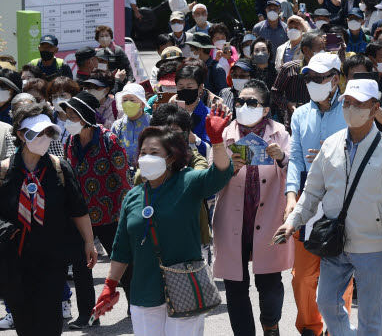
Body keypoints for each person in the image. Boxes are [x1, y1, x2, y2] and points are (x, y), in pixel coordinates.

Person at [276, 78, 382, 336]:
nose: (351, 109)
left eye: (358, 104)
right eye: (347, 103)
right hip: (334, 241)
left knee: (371, 316)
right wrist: (292, 221)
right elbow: (312, 191)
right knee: (326, 302)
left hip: (372, 244)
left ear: (374, 108)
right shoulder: (330, 145)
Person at [92, 111, 236, 333]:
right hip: (144, 292)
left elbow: (220, 174)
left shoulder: (188, 181)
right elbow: (121, 249)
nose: (146, 157)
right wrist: (109, 287)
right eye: (143, 152)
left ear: (171, 157)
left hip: (185, 287)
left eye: (154, 152)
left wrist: (217, 143)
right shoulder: (133, 196)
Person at [0, 103, 98, 336]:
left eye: (48, 132)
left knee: (50, 320)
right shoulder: (4, 171)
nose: (43, 138)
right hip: (15, 259)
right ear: (21, 135)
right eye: (36, 133)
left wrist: (88, 242)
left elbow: (78, 209)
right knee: (24, 320)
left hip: (52, 257)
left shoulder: (59, 167)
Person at [214, 79, 293, 336]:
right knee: (235, 286)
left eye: (251, 102)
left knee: (269, 283)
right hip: (233, 219)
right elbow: (210, 177)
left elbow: (297, 173)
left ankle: (270, 324)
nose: (244, 106)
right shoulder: (225, 133)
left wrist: (281, 158)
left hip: (269, 217)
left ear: (266, 109)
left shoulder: (280, 134)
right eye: (240, 101)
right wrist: (227, 169)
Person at [285, 52, 347, 336]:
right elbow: (295, 157)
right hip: (307, 199)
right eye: (308, 78)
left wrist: (332, 153)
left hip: (343, 197)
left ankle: (337, 327)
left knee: (339, 271)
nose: (313, 82)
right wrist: (290, 197)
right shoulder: (299, 113)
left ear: (335, 80)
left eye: (319, 78)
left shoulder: (351, 108)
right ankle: (310, 326)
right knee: (302, 275)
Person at [59, 91, 133, 328]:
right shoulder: (69, 142)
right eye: (66, 114)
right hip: (81, 217)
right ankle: (87, 316)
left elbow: (123, 179)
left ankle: (136, 304)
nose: (66, 119)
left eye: (71, 115)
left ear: (83, 117)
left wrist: (125, 213)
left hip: (111, 215)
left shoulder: (108, 140)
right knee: (81, 268)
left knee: (122, 262)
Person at [111, 82, 152, 171]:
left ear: (142, 104)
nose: (128, 103)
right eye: (124, 100)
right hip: (123, 172)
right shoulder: (117, 125)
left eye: (132, 100)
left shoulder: (152, 122)